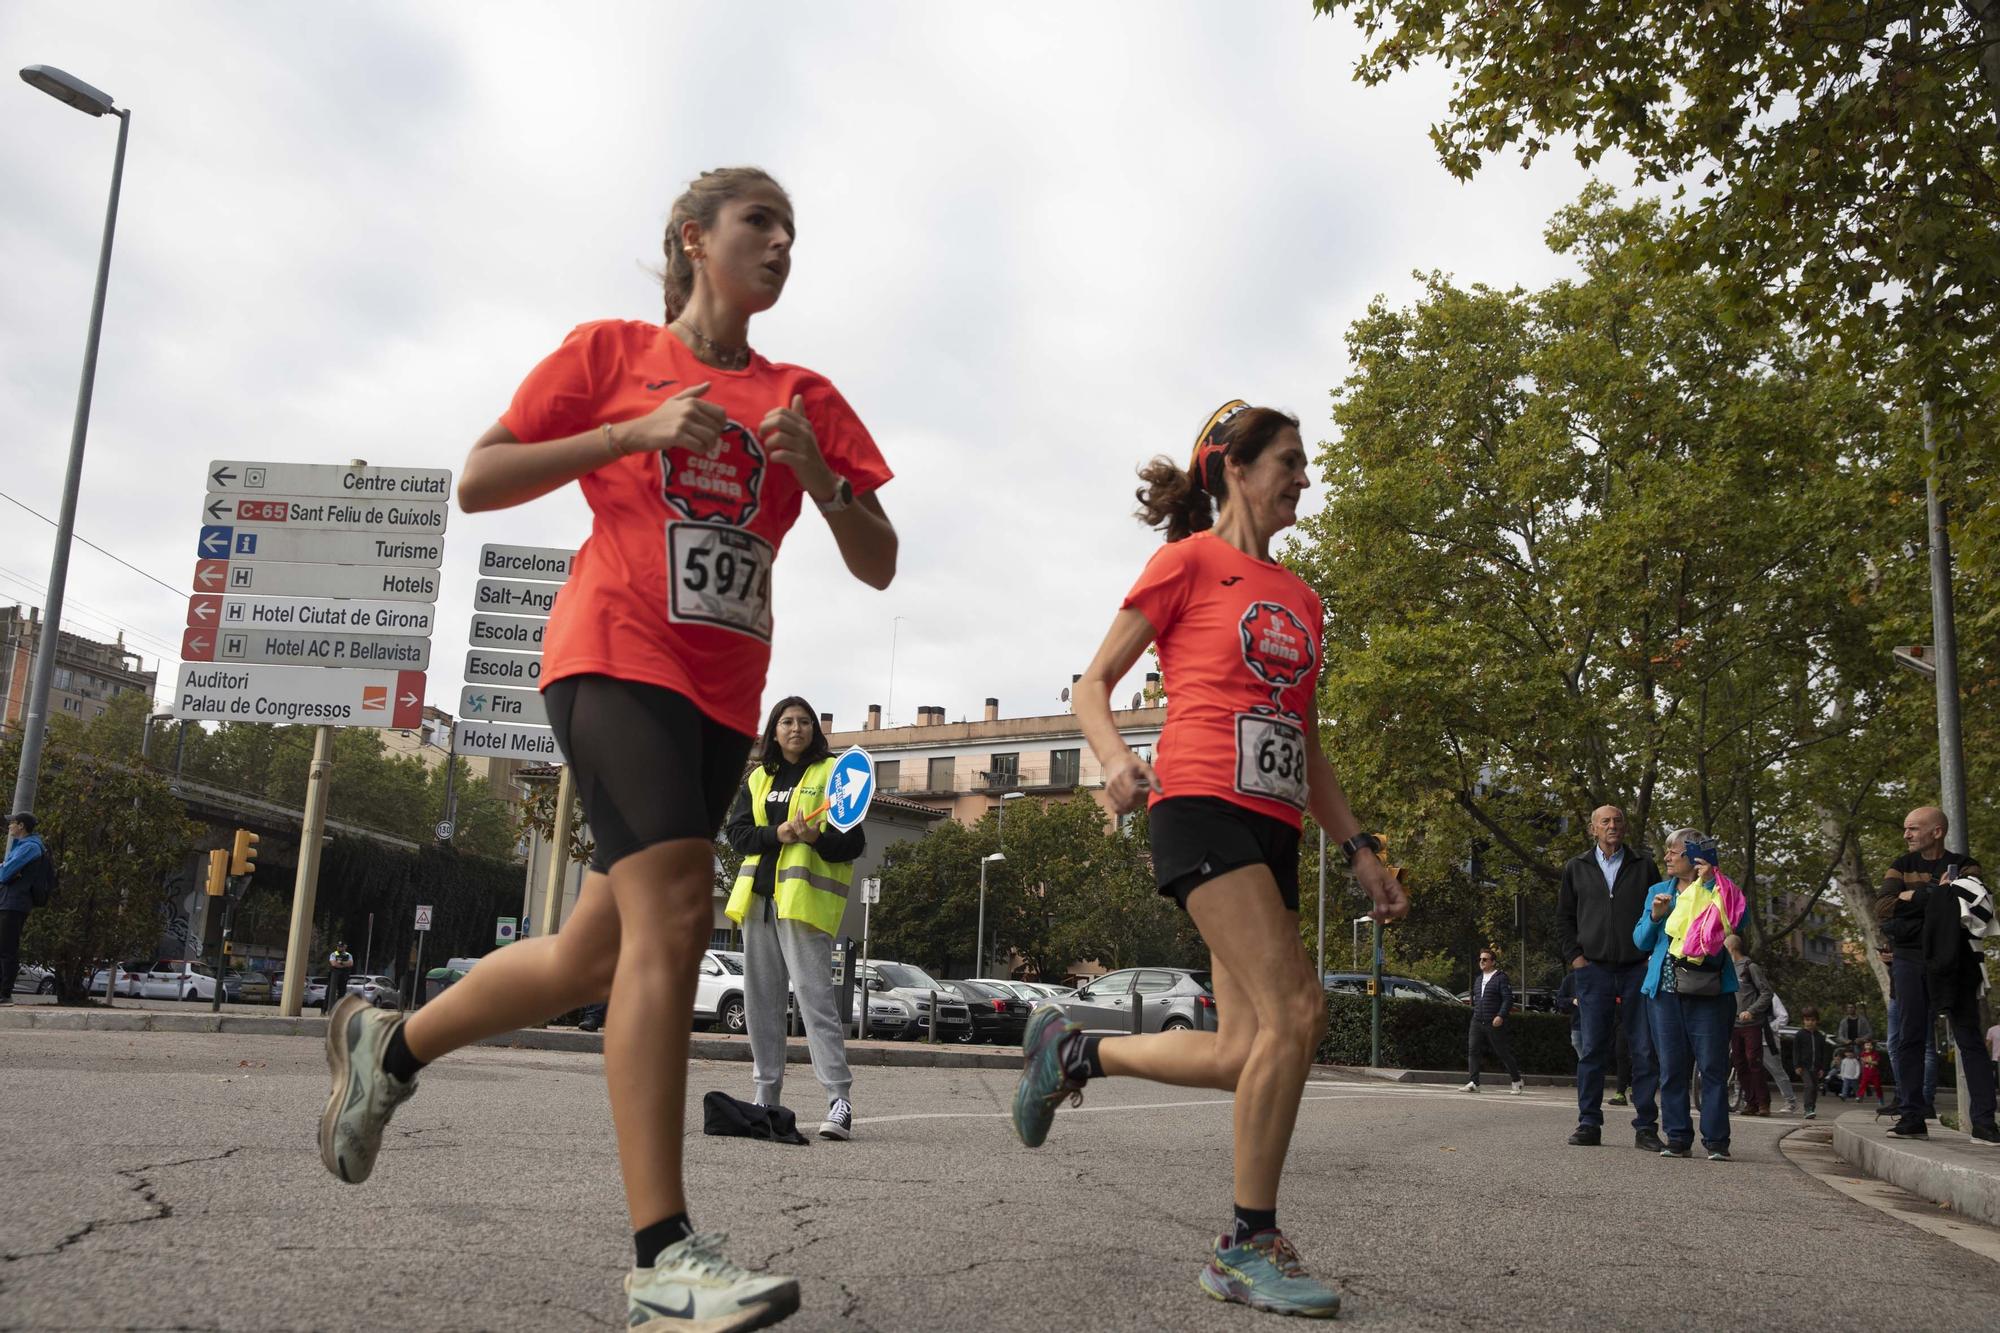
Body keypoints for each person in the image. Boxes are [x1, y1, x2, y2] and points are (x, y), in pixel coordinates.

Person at [315, 166, 898, 1330]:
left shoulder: (805, 395)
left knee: (593, 958)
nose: (782, 246)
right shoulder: (610, 352)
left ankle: (392, 1043)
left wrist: (819, 479)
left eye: (793, 231)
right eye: (759, 225)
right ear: (693, 239)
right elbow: (478, 478)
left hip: (721, 697)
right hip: (612, 655)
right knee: (679, 910)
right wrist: (627, 430)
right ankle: (662, 1255)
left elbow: (877, 560)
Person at [1015, 400, 1407, 1320]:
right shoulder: (1186, 562)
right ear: (1235, 466)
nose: (1304, 478)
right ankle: (1245, 1242)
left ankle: (1075, 1051)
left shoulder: (1305, 599)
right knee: (1299, 1011)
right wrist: (1113, 760)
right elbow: (1091, 683)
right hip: (1197, 807)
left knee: (1245, 1050)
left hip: (1273, 830)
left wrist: (1359, 851)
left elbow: (1304, 740)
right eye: (1290, 461)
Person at [722, 696, 863, 1140]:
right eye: (787, 722)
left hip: (803, 908)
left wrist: (816, 836)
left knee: (815, 1002)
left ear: (814, 731)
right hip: (759, 904)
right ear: (773, 730)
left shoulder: (829, 774)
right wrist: (775, 834)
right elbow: (737, 833)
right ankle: (766, 1099)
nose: (795, 728)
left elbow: (853, 842)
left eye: (803, 722)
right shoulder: (758, 778)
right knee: (761, 1006)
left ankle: (838, 1101)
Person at [1875, 807, 1996, 1142]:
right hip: (1909, 958)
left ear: (1937, 831)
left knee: (1969, 1037)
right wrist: (1934, 894)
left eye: (1913, 828)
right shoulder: (1901, 864)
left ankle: (1985, 1123)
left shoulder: (1966, 865)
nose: (1907, 834)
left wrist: (1911, 898)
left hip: (1955, 959)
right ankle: (1913, 1116)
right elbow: (1883, 907)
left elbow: (1969, 904)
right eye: (1905, 828)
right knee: (1910, 1036)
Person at [1556, 805, 1664, 1150]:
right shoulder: (1576, 868)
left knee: (1644, 1050)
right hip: (1593, 971)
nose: (1612, 826)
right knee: (1592, 1051)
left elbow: (1660, 913)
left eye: (1617, 821)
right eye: (1605, 821)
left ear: (1625, 827)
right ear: (1593, 829)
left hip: (1637, 970)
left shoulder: (1644, 866)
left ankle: (1646, 1126)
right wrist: (1576, 959)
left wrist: (1650, 958)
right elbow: (1563, 919)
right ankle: (1589, 1123)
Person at [1634, 828, 1745, 1161]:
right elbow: (1640, 940)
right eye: (1667, 851)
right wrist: (1655, 915)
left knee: (1712, 1066)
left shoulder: (1723, 888)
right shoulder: (1658, 891)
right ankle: (1678, 1138)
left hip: (1709, 991)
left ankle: (1716, 1141)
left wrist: (1710, 884)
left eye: (1674, 852)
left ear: (1696, 856)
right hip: (1665, 993)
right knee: (1671, 1067)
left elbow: (1738, 922)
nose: (1666, 857)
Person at [0, 813, 49, 1004]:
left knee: (7, 949)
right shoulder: (23, 846)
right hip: (9, 901)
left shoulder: (30, 847)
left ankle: (5, 993)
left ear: (21, 826)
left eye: (12, 823)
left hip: (14, 903)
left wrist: (5, 868)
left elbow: (4, 874)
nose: (10, 826)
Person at [1461, 946, 1524, 1095]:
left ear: (1493, 962)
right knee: (1473, 1050)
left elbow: (1507, 999)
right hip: (1477, 1020)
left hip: (1493, 1021)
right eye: (1480, 959)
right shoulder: (1478, 979)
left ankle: (1516, 1080)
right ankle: (1474, 1082)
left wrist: (1500, 1015)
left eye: (1485, 959)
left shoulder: (1500, 977)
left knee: (1502, 1051)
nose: (1482, 962)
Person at [1724, 934, 1772, 1117]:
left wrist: (1752, 1010)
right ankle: (1750, 1102)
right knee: (1739, 1063)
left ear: (1731, 948)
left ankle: (1763, 1103)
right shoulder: (1727, 969)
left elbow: (1767, 993)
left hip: (1750, 1023)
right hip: (1733, 1024)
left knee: (1754, 1061)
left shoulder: (1749, 967)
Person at [1792, 1007, 1832, 1120]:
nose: (1810, 1022)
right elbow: (1796, 1051)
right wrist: (1797, 1065)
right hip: (1804, 1066)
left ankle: (1812, 1108)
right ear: (1803, 1020)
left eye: (1813, 1020)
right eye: (1807, 1020)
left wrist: (1823, 1068)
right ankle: (1808, 1109)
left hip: (1816, 1067)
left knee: (1814, 1088)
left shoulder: (1820, 1036)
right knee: (1808, 1086)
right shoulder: (1800, 1035)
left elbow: (1824, 1053)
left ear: (1817, 1021)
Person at [324, 942, 355, 1016]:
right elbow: (334, 964)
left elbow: (351, 963)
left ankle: (338, 1012)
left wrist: (341, 963)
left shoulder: (348, 955)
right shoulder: (333, 954)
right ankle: (324, 1010)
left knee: (342, 994)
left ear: (345, 947)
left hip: (343, 976)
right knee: (329, 993)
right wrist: (344, 965)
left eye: (341, 946)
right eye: (338, 946)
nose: (339, 948)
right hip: (334, 976)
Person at [1857, 1039, 1886, 1107]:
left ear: (1872, 1046)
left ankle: (1880, 1099)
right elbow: (1862, 1063)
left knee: (1877, 1086)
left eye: (1870, 1045)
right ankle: (1860, 1097)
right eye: (1867, 1045)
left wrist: (1867, 1061)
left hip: (1875, 1073)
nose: (1868, 1046)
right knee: (1862, 1085)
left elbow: (1876, 1063)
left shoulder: (1875, 1054)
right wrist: (1863, 1061)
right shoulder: (1862, 1054)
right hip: (1866, 1073)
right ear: (1864, 1046)